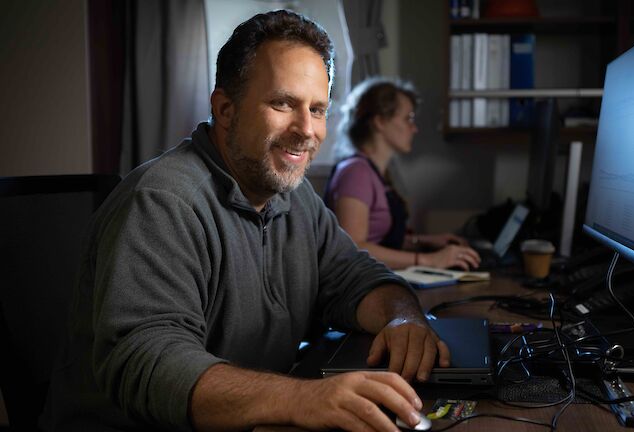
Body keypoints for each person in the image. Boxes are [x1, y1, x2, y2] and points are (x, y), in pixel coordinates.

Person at [42, 10, 449, 432]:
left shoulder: (295, 196)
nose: (306, 130)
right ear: (225, 109)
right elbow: (151, 362)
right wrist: (302, 398)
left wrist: (403, 318)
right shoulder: (162, 202)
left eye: (317, 109)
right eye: (282, 103)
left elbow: (354, 277)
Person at [324, 78, 481, 270]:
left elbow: (377, 239)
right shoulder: (355, 172)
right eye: (408, 119)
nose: (414, 128)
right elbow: (353, 247)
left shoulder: (374, 171)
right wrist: (429, 260)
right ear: (380, 122)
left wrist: (423, 241)